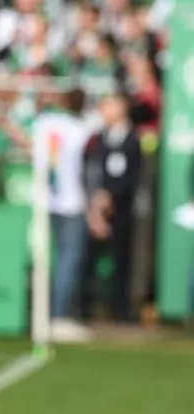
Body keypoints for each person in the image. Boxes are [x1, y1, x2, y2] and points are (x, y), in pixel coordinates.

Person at [32, 88, 92, 342]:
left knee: (53, 259)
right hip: (72, 200)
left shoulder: (45, 122)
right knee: (69, 260)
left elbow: (32, 150)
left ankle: (48, 315)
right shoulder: (82, 128)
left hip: (46, 199)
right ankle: (58, 316)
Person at [80, 94, 142, 324]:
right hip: (95, 210)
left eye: (108, 106)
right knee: (88, 259)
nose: (103, 111)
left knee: (122, 260)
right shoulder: (97, 139)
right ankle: (84, 308)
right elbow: (89, 169)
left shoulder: (133, 139)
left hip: (121, 211)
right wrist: (96, 201)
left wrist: (113, 197)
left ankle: (121, 310)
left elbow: (133, 176)